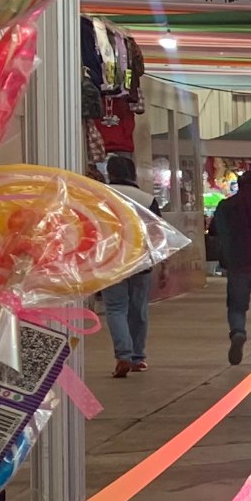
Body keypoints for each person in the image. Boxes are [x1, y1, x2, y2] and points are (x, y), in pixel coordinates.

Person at [97, 152, 155, 377]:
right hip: (140, 260)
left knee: (115, 308)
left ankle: (123, 355)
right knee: (138, 310)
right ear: (133, 173)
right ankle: (138, 357)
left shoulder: (100, 196)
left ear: (109, 173)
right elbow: (157, 232)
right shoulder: (147, 199)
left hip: (110, 260)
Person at [204, 163, 251, 364]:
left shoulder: (225, 206)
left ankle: (238, 331)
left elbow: (214, 232)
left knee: (236, 305)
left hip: (237, 263)